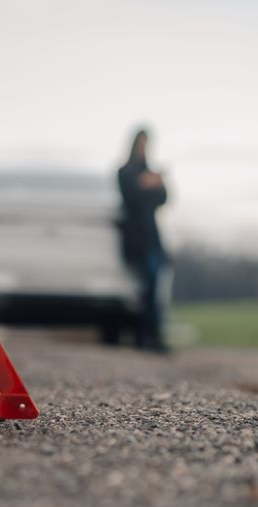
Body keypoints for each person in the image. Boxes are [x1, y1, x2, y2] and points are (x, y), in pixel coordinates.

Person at [118, 128, 169, 352]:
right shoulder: (125, 172)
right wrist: (147, 185)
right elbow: (131, 198)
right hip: (137, 239)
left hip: (154, 238)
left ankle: (153, 335)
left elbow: (164, 198)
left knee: (155, 288)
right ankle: (142, 335)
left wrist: (152, 183)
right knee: (142, 289)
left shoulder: (149, 172)